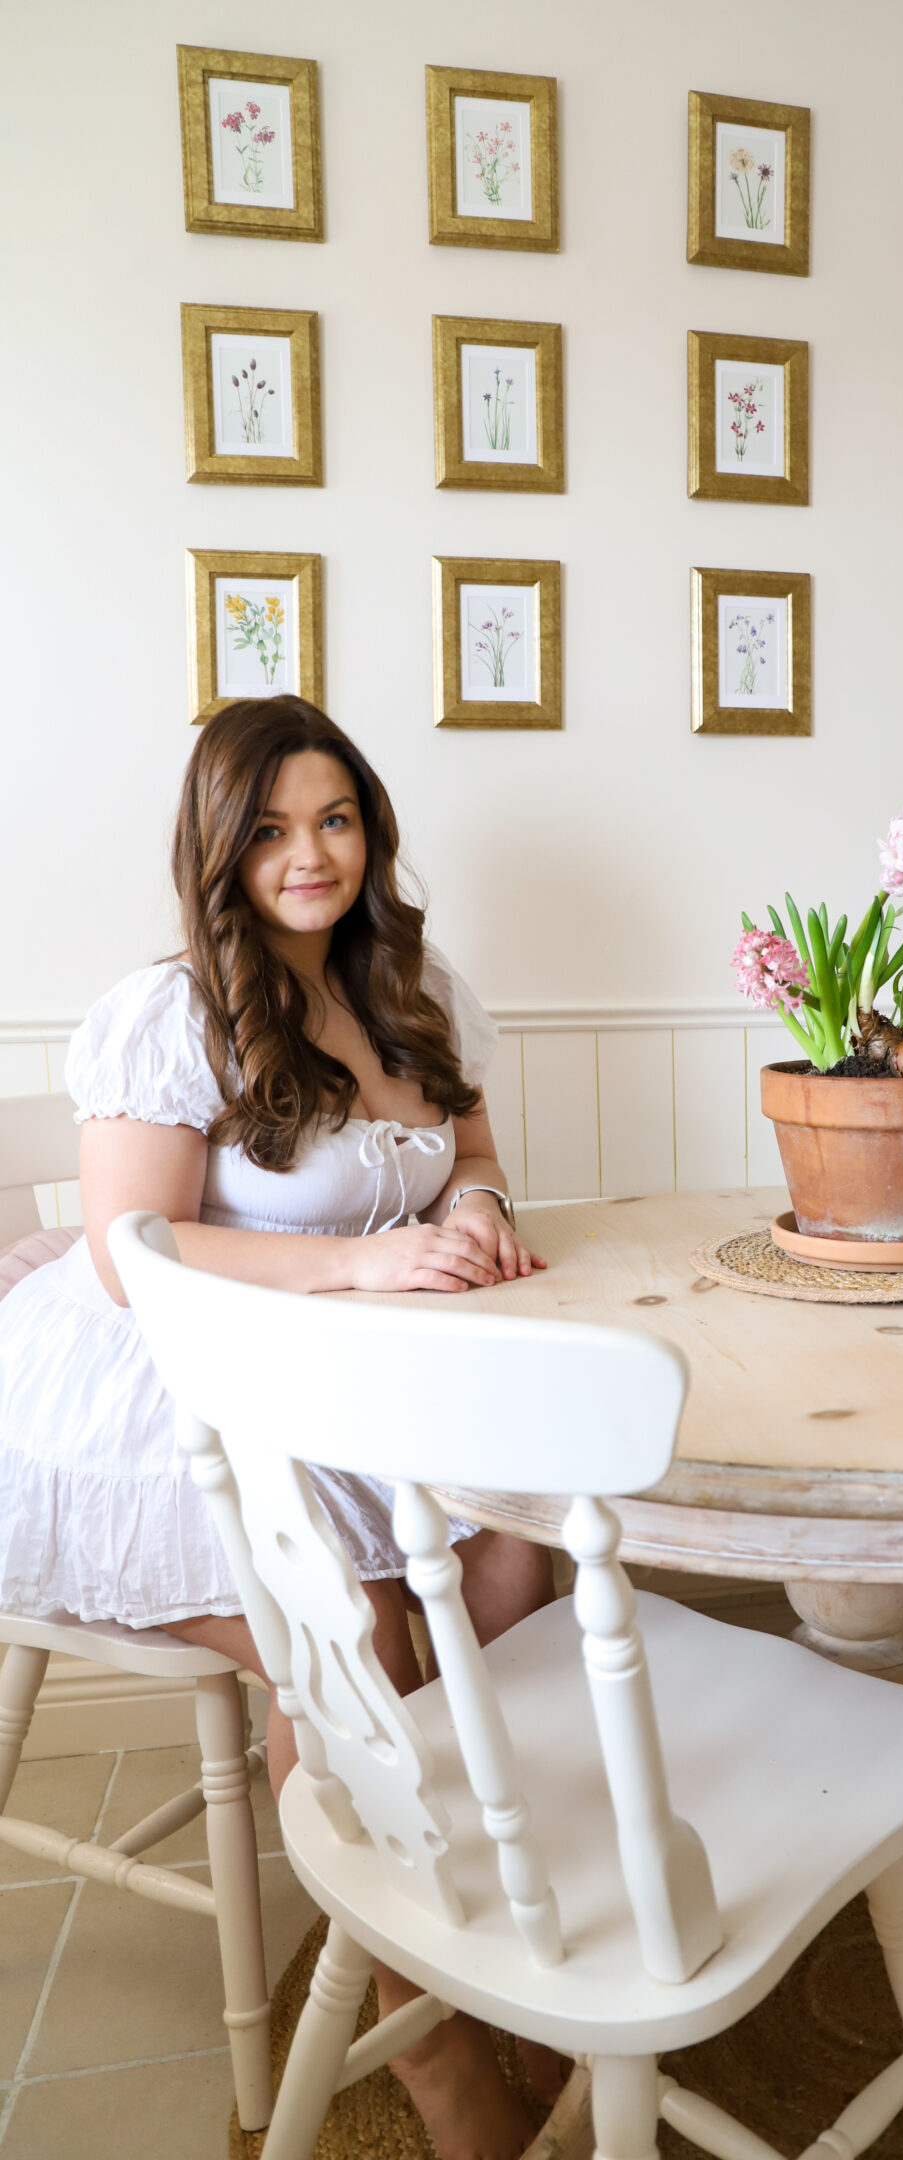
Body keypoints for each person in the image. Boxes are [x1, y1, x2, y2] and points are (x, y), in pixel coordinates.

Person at [0, 695, 561, 2160]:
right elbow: (128, 1253)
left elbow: (474, 1154)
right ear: (219, 847)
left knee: (514, 1566)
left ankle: (479, 1923)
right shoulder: (173, 1009)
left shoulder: (411, 985)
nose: (308, 855)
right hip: (171, 1381)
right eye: (268, 828)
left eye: (334, 819)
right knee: (369, 1640)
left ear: (368, 831)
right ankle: (440, 2058)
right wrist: (357, 1262)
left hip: (358, 1372)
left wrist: (480, 1206)